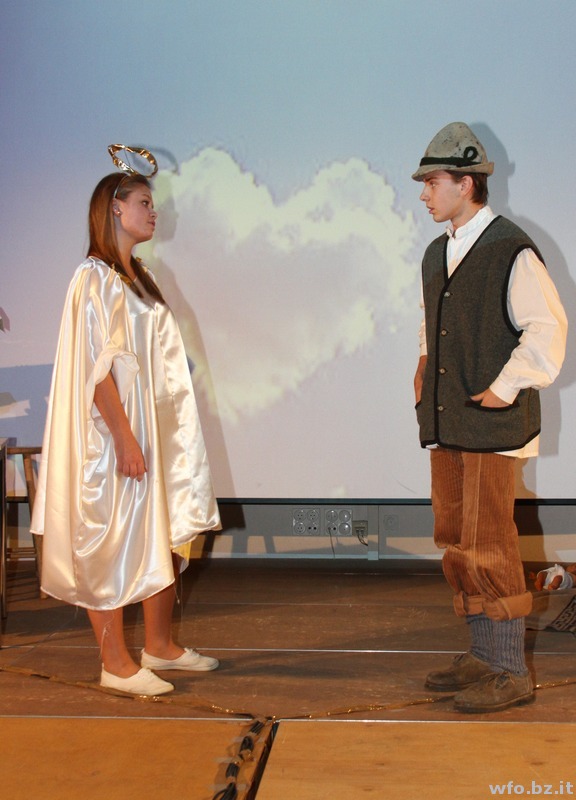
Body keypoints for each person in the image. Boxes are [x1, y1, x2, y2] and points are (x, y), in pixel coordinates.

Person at [31, 146, 221, 696]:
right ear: (114, 207)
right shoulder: (94, 277)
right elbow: (95, 369)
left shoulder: (139, 275)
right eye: (143, 202)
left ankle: (159, 645)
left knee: (163, 531)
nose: (153, 212)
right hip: (115, 433)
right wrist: (122, 436)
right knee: (109, 540)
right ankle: (113, 664)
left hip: (152, 431)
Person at [412, 122, 567, 712]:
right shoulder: (437, 251)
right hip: (449, 421)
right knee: (456, 536)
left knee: (489, 540)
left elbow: (547, 328)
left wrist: (505, 388)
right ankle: (482, 653)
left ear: (466, 183)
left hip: (492, 427)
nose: (424, 194)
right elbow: (433, 319)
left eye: (432, 182)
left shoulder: (510, 248)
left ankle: (510, 670)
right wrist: (422, 364)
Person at [527, 563, 576, 633]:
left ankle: (552, 584)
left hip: (562, 579)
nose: (574, 566)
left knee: (559, 578)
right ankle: (541, 579)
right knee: (545, 573)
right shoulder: (560, 569)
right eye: (573, 565)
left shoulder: (572, 577)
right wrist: (535, 576)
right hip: (554, 575)